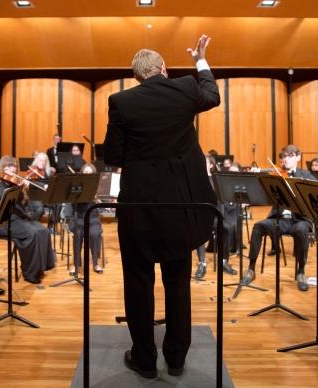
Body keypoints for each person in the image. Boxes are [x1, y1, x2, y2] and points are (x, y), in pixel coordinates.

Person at [103, 34, 219, 378]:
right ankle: (177, 357)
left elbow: (112, 156)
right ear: (164, 68)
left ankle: (144, 359)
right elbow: (212, 95)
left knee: (138, 282)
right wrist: (200, 60)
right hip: (180, 205)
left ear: (137, 76)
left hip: (139, 206)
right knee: (177, 280)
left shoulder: (121, 101)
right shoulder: (184, 88)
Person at [241, 145, 315, 292]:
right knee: (258, 226)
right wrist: (257, 175)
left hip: (300, 220)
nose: (284, 159)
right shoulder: (276, 175)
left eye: (289, 156)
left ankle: (300, 271)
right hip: (280, 219)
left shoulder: (306, 175)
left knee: (301, 230)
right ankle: (251, 268)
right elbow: (262, 193)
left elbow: (313, 195)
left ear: (298, 157)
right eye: (282, 157)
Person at [0, 155, 56, 284]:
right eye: (9, 166)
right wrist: (19, 188)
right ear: (2, 167)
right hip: (3, 222)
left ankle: (40, 267)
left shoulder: (13, 181)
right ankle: (29, 272)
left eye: (14, 166)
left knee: (43, 231)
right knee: (32, 234)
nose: (12, 169)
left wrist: (25, 189)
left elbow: (21, 205)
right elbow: (9, 199)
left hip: (17, 219)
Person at [67, 163, 104, 274]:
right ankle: (76, 264)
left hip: (92, 218)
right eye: (85, 172)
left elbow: (101, 208)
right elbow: (71, 204)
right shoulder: (76, 185)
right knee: (78, 235)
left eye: (90, 173)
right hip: (78, 217)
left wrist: (98, 201)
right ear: (82, 173)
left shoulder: (97, 187)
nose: (87, 174)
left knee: (94, 234)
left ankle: (95, 262)